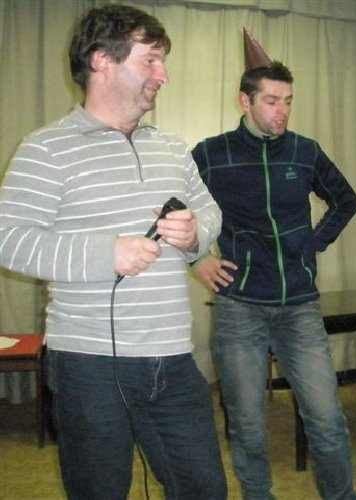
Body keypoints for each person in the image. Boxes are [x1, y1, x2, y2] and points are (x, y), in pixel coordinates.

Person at [0, 5, 227, 498]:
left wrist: (194, 234)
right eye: (151, 60)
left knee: (205, 489)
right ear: (102, 59)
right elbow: (9, 238)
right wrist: (107, 254)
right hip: (89, 364)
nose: (163, 75)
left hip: (173, 358)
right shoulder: (46, 148)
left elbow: (211, 213)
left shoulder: (172, 148)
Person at [191, 42, 356, 499]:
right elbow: (171, 207)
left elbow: (346, 200)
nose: (281, 110)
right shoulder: (212, 154)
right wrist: (197, 259)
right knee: (247, 424)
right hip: (240, 308)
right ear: (244, 102)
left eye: (287, 101)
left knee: (327, 418)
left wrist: (313, 243)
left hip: (299, 307)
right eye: (271, 101)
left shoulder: (304, 152)